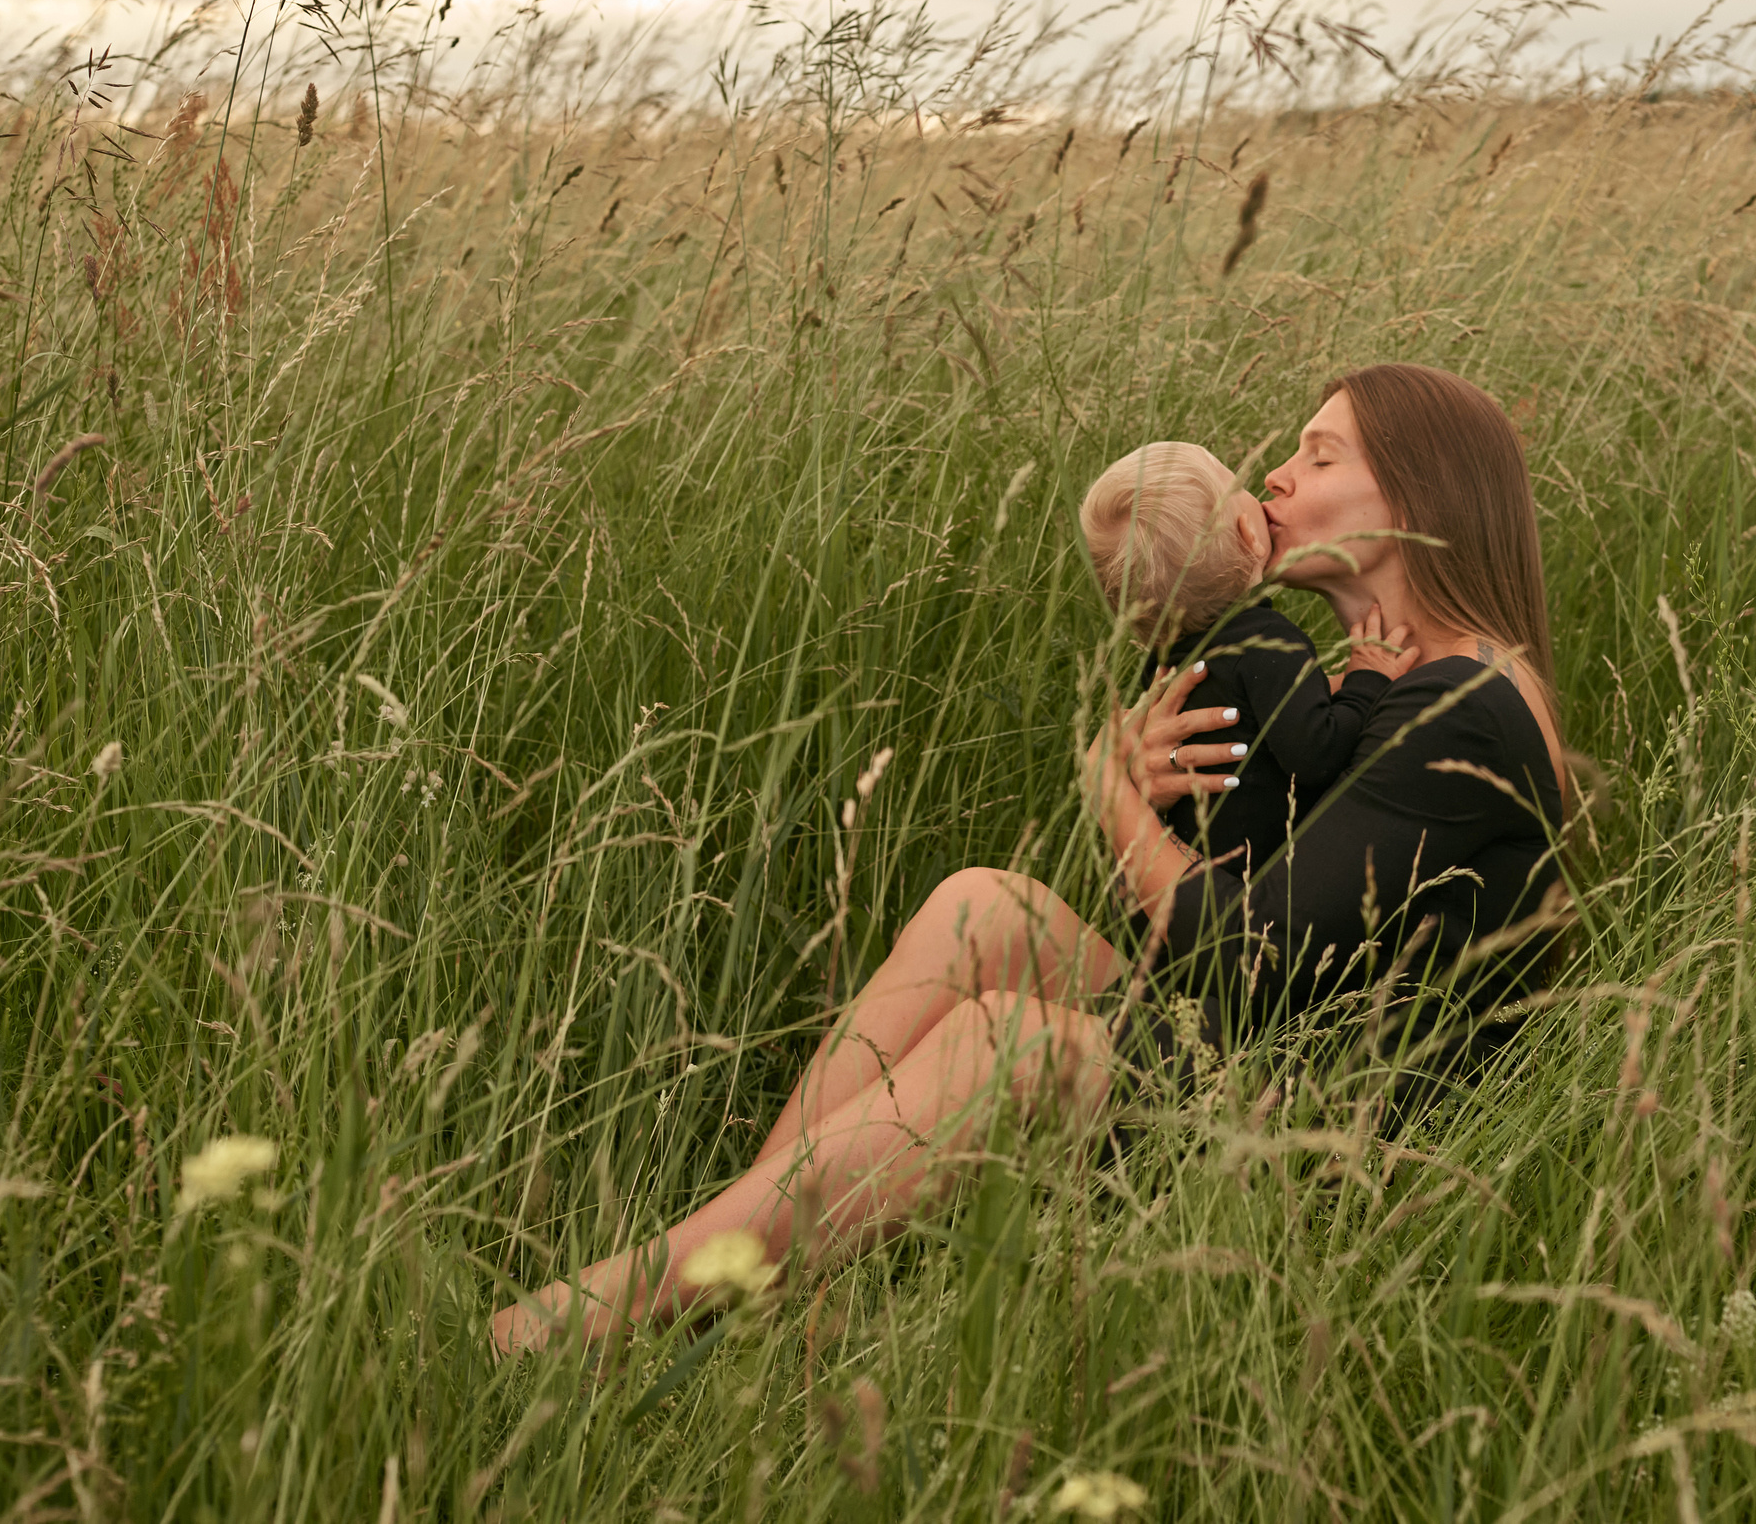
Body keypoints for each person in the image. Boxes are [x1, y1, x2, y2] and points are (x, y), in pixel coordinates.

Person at [489, 363, 1569, 1355]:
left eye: (1320, 456)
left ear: (1417, 501)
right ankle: (765, 1276)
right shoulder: (1398, 677)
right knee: (984, 908)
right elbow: (1290, 914)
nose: (1277, 478)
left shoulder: (1462, 708)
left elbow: (1244, 952)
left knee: (1008, 1041)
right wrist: (1166, 792)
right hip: (1268, 1051)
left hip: (1333, 1134)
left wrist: (1117, 808)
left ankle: (576, 1323)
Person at [1077, 438, 1406, 878]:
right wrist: (1367, 679)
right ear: (1250, 535)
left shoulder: (1163, 662)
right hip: (1249, 892)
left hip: (1175, 878)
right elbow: (1318, 753)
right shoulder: (1269, 645)